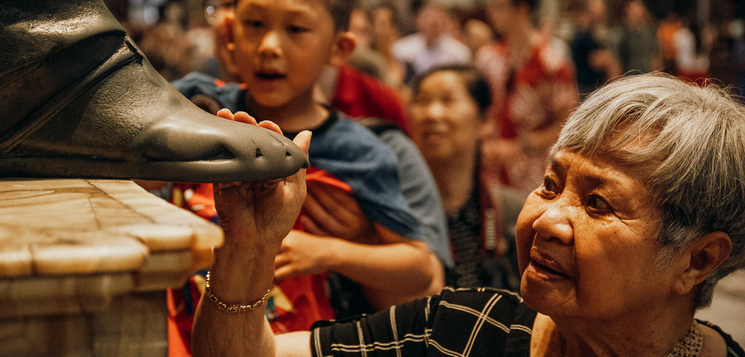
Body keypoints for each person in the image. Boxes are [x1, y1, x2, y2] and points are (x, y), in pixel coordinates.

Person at [193, 73, 745, 356]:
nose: (549, 219)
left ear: (698, 260)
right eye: (550, 185)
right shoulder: (459, 331)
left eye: (598, 203)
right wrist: (249, 243)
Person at [174, 0, 442, 334]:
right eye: (254, 24)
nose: (268, 46)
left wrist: (329, 252)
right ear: (230, 33)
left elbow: (419, 269)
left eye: (295, 29)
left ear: (339, 48)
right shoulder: (199, 103)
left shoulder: (361, 153)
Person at [409, 65, 524, 291]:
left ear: (486, 120)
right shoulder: (394, 211)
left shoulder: (514, 213)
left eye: (448, 100)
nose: (432, 114)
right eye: (422, 101)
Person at [475, 0, 578, 194]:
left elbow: (566, 124)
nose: (492, 13)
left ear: (522, 10)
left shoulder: (551, 63)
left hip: (533, 171)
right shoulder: (487, 58)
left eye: (500, 6)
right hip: (492, 164)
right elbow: (481, 110)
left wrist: (518, 146)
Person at [392, 0, 471, 85]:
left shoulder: (459, 52)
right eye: (427, 19)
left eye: (436, 22)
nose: (431, 25)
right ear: (418, 20)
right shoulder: (401, 48)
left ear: (444, 22)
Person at [569, 0, 621, 98]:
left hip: (594, 86)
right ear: (590, 13)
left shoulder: (594, 32)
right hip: (587, 88)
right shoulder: (583, 34)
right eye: (598, 14)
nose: (601, 17)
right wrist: (609, 59)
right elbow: (596, 61)